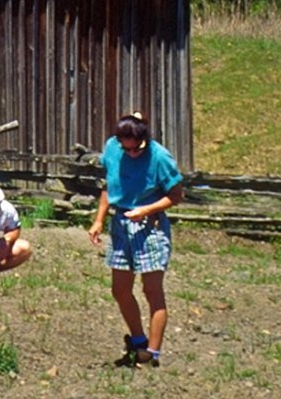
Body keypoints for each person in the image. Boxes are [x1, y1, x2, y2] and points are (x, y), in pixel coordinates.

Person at [87, 112, 185, 368]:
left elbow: (176, 194)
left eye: (136, 149)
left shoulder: (159, 157)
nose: (131, 153)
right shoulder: (111, 148)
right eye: (125, 148)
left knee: (152, 290)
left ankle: (152, 353)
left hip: (148, 225)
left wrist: (146, 210)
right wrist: (99, 220)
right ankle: (138, 340)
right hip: (120, 224)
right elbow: (108, 187)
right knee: (120, 289)